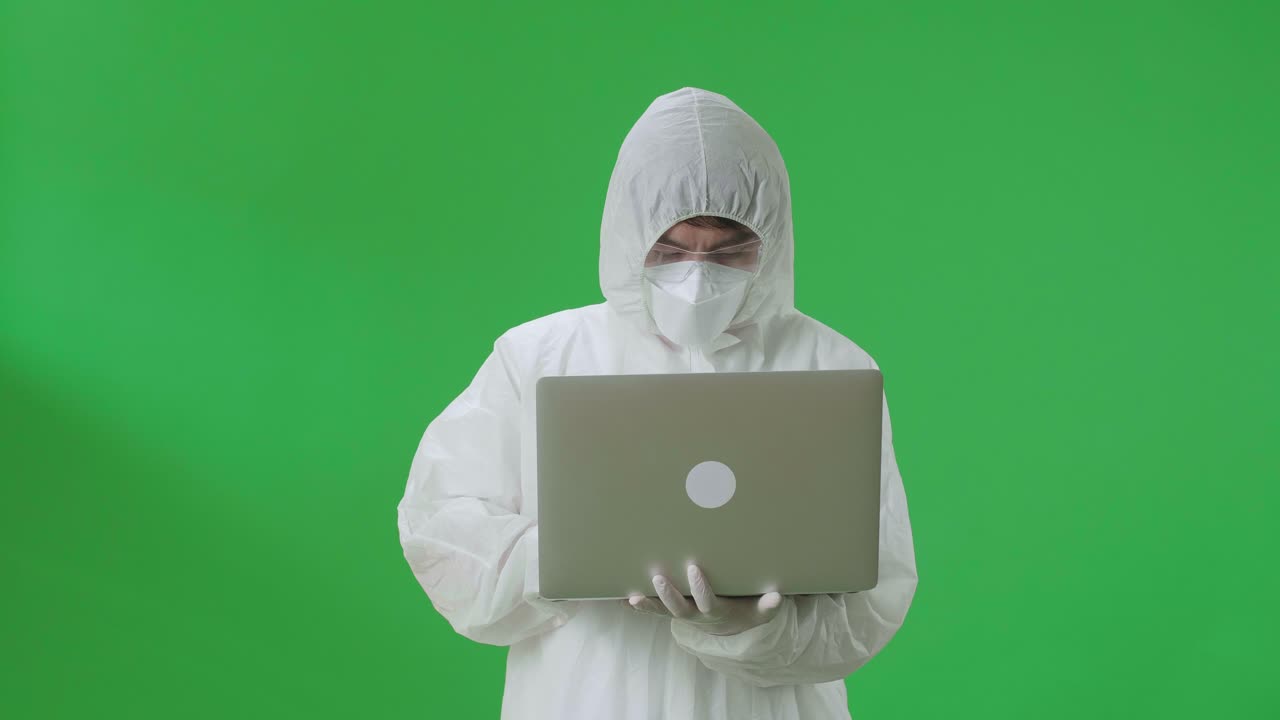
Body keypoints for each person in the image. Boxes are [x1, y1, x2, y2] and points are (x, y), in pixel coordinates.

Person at [397, 86, 918, 719]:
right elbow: (440, 529)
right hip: (588, 700)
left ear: (772, 240)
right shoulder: (538, 358)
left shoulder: (831, 367)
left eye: (728, 250)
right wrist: (566, 559)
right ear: (628, 232)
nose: (698, 273)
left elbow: (875, 591)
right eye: (672, 249)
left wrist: (756, 629)